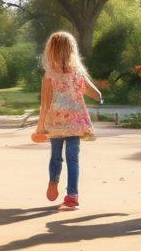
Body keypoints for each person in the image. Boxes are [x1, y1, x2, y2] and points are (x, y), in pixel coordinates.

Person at [33, 31, 102, 211]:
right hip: (75, 124)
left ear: (51, 51)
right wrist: (100, 97)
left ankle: (54, 181)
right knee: (73, 159)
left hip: (56, 123)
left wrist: (40, 127)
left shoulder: (49, 74)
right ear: (72, 50)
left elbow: (45, 102)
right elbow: (94, 93)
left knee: (56, 156)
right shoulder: (77, 73)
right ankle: (72, 196)